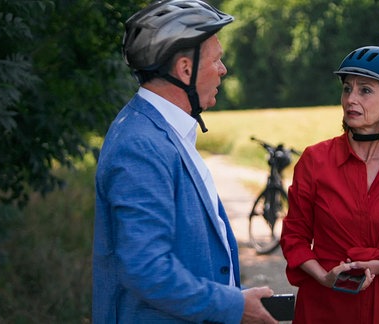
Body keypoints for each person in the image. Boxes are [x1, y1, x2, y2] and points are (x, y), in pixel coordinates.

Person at [92, 1, 277, 323]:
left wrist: (236, 295)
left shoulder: (163, 132)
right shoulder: (140, 144)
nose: (224, 69)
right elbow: (146, 268)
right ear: (185, 69)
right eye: (217, 59)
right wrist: (233, 306)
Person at [280, 46, 379, 323]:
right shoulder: (315, 160)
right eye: (347, 89)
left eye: (365, 90)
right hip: (323, 305)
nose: (350, 99)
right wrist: (325, 277)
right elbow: (294, 237)